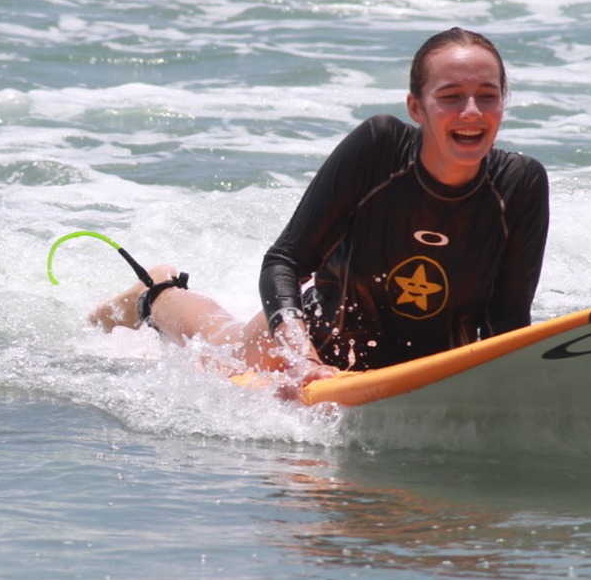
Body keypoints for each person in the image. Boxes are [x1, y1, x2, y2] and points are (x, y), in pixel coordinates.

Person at [89, 28, 549, 398]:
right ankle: (153, 294)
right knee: (221, 347)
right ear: (416, 107)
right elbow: (284, 262)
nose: (471, 111)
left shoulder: (520, 185)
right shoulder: (380, 149)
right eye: (450, 96)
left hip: (427, 367)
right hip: (317, 348)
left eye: (487, 95)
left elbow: (507, 320)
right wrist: (301, 358)